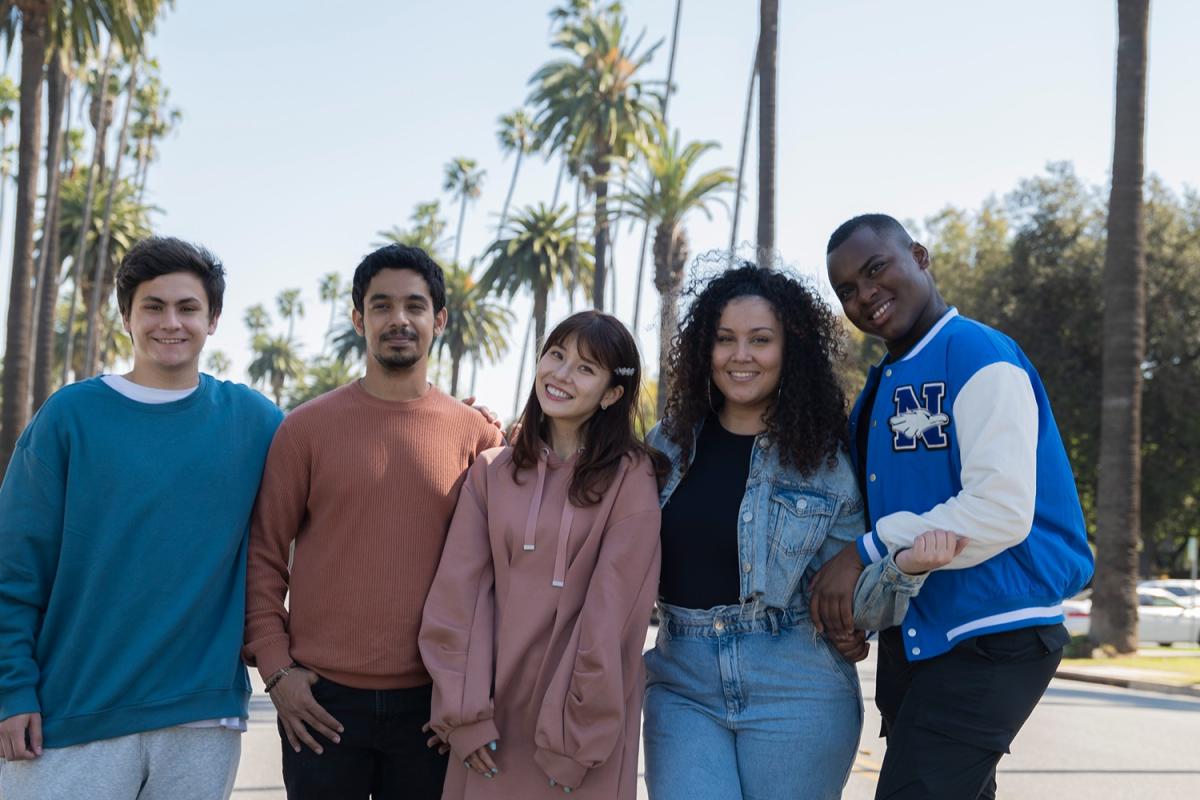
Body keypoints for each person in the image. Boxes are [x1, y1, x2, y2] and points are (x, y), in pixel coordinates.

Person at [815, 213, 1094, 799]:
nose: (865, 295)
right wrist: (858, 609)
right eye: (846, 290)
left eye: (875, 270)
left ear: (919, 256)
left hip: (993, 635)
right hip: (919, 643)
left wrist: (865, 552)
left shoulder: (978, 353)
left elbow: (1000, 509)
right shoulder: (880, 385)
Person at [0, 237, 283, 799]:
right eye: (153, 306)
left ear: (213, 319)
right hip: (72, 712)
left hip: (199, 718)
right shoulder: (71, 416)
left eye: (188, 307)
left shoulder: (251, 420)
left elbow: (342, 457)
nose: (170, 322)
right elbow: (14, 563)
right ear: (126, 317)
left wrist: (464, 424)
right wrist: (12, 690)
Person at [242, 243, 504, 800]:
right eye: (381, 306)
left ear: (439, 319)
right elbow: (264, 554)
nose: (398, 320)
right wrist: (277, 672)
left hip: (432, 710)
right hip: (320, 704)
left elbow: (504, 571)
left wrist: (470, 694)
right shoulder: (305, 429)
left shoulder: (478, 437)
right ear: (359, 319)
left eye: (414, 305)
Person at [642, 263, 867, 800]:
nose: (741, 355)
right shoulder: (667, 445)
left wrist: (872, 601)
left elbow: (852, 587)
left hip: (797, 680)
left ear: (791, 350)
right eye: (725, 340)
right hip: (683, 682)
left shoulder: (828, 461)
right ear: (704, 349)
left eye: (760, 340)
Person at [419, 310, 664, 799]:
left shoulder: (631, 479)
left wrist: (577, 739)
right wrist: (464, 715)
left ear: (612, 393)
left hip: (581, 732)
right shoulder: (491, 472)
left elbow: (614, 618)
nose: (561, 374)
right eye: (556, 355)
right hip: (489, 727)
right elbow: (458, 600)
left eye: (585, 368)